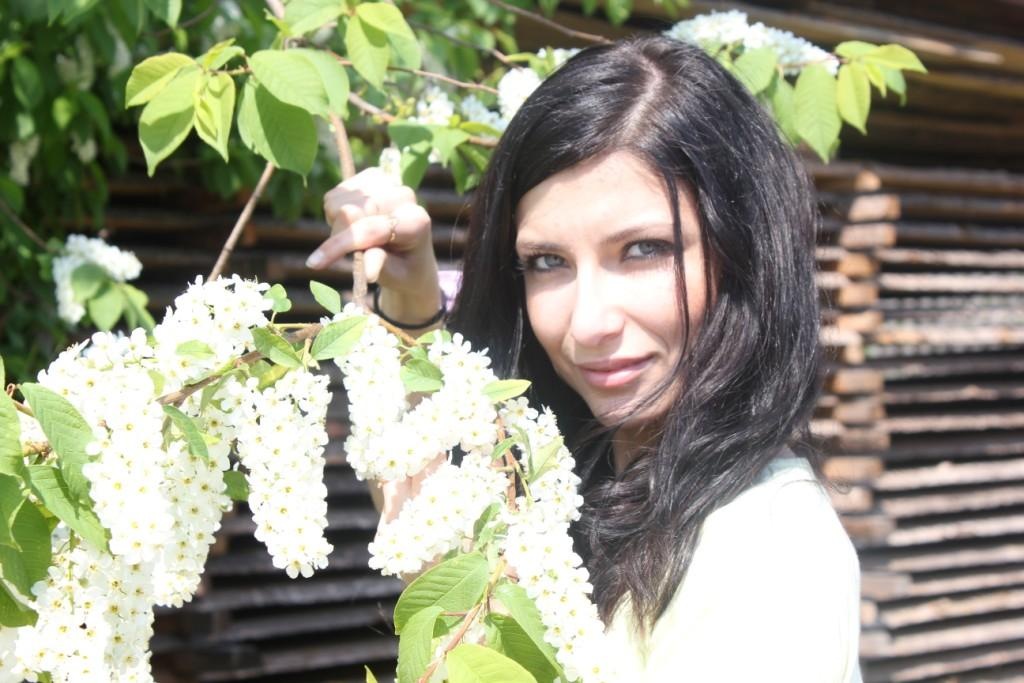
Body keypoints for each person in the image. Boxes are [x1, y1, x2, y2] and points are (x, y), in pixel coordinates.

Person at [307, 34, 862, 682]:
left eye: (644, 250)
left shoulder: (766, 554)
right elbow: (424, 519)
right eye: (548, 262)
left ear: (742, 252)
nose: (588, 322)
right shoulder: (586, 488)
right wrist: (411, 300)